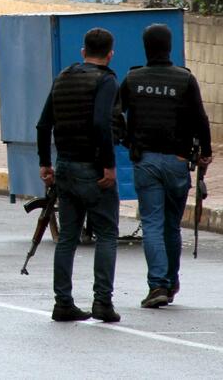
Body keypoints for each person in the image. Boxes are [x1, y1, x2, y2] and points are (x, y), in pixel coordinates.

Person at [119, 24, 213, 308]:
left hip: (145, 160)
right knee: (172, 226)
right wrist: (205, 153)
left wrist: (127, 141)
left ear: (146, 47)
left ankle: (158, 284)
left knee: (152, 224)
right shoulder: (184, 79)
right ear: (169, 47)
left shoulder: (133, 79)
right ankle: (170, 282)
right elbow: (201, 119)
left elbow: (113, 114)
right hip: (178, 161)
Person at [37, 27, 122, 323]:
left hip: (65, 168)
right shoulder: (107, 80)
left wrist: (45, 164)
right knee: (108, 234)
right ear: (110, 54)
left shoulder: (63, 77)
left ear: (83, 52)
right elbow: (101, 124)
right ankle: (102, 302)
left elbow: (43, 124)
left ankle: (63, 303)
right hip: (92, 170)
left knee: (68, 238)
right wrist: (109, 166)